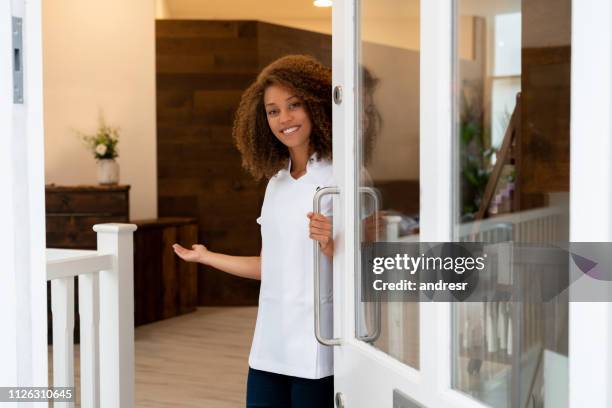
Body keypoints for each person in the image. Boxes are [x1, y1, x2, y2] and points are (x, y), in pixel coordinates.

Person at [172, 54, 335, 408]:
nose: (284, 119)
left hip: (317, 347)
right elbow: (269, 266)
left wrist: (332, 245)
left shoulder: (339, 179)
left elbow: (361, 264)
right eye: (273, 111)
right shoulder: (276, 184)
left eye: (294, 105)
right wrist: (205, 256)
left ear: (316, 106)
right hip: (271, 343)